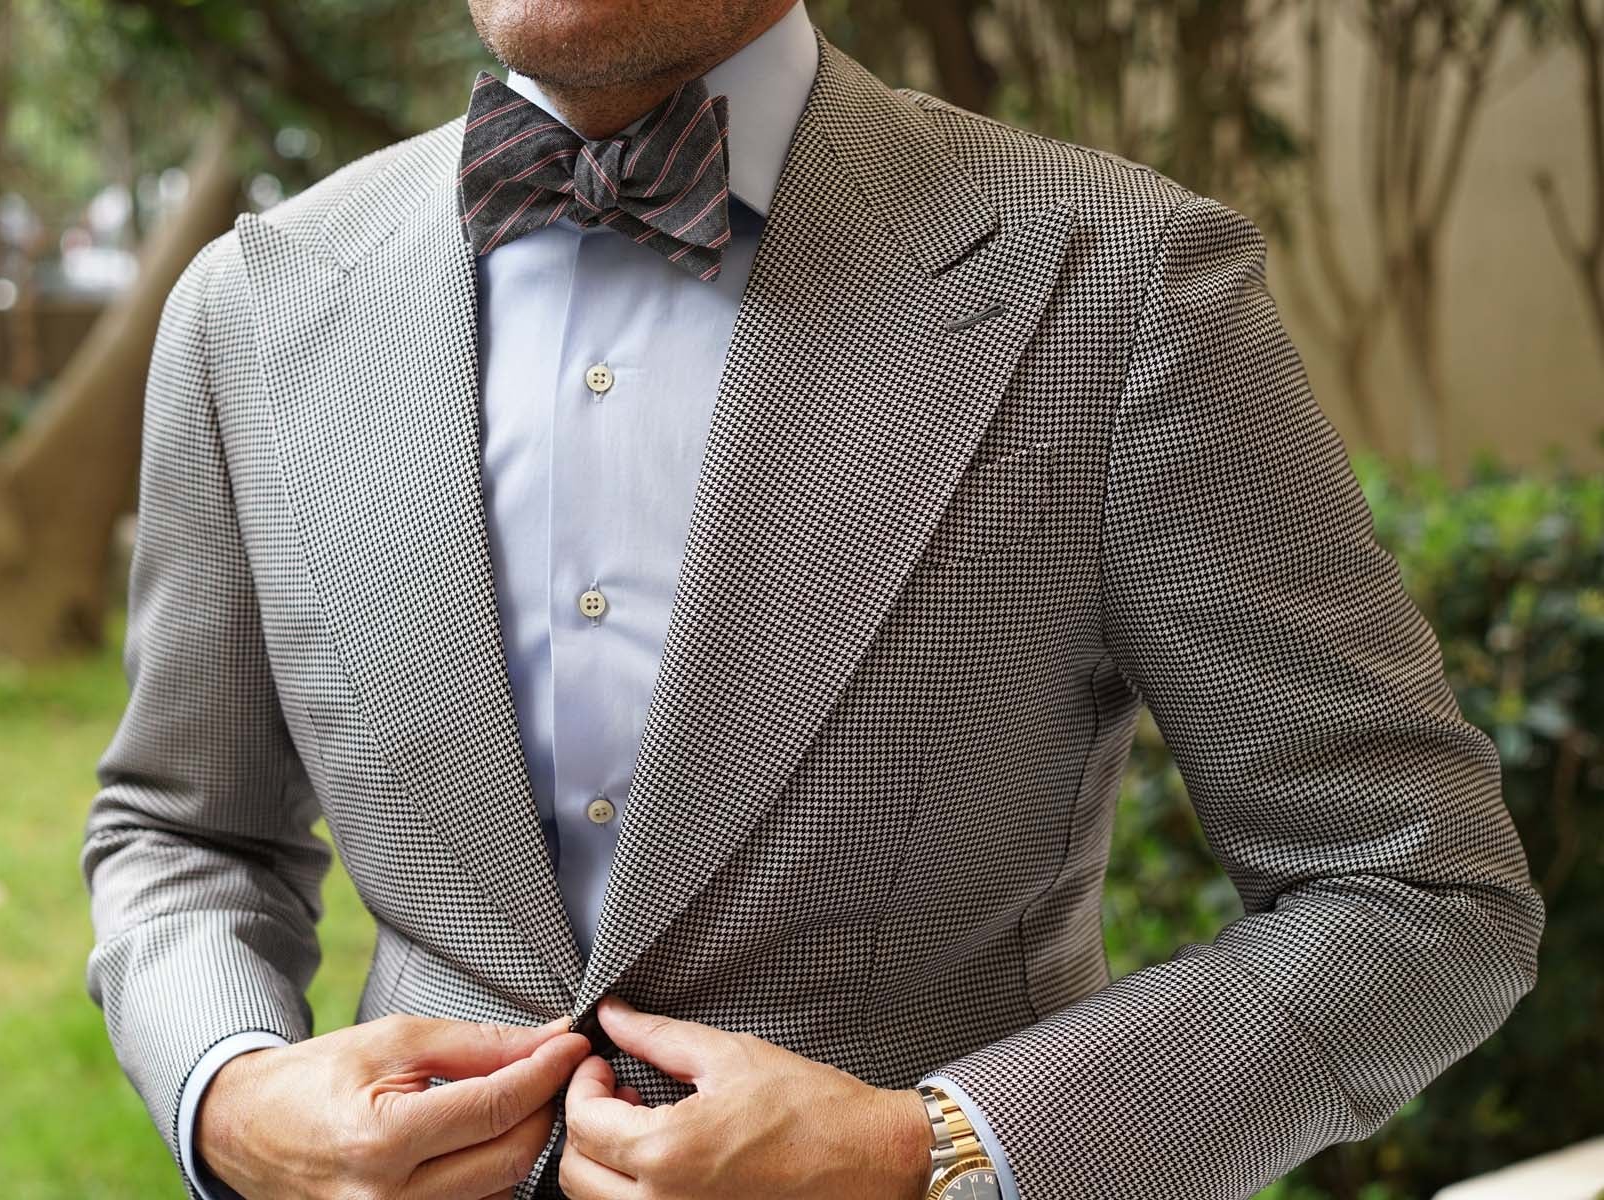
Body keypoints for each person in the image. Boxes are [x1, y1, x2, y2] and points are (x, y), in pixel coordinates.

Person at [80, 1, 1546, 1197]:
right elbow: (181, 827)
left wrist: (940, 1149)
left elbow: (1421, 893)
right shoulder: (252, 308)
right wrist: (229, 1089)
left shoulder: (1119, 282)